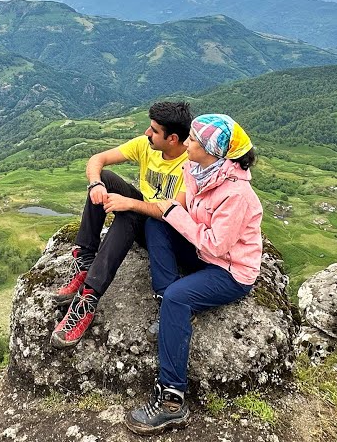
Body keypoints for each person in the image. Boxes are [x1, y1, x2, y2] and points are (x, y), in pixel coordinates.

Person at [112, 113, 263, 436]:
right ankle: (165, 301)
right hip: (202, 253)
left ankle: (172, 401)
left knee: (180, 298)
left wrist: (174, 213)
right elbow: (177, 212)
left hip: (230, 270)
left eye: (193, 140)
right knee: (156, 223)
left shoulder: (235, 194)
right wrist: (167, 213)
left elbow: (217, 245)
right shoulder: (199, 170)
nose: (187, 143)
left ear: (210, 151)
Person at [50, 101, 193, 348]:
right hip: (143, 216)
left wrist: (130, 204)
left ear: (172, 138)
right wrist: (95, 184)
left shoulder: (191, 165)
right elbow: (98, 159)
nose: (147, 133)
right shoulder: (145, 146)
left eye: (154, 130)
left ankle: (88, 300)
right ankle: (84, 261)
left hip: (163, 233)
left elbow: (173, 212)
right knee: (105, 178)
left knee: (131, 213)